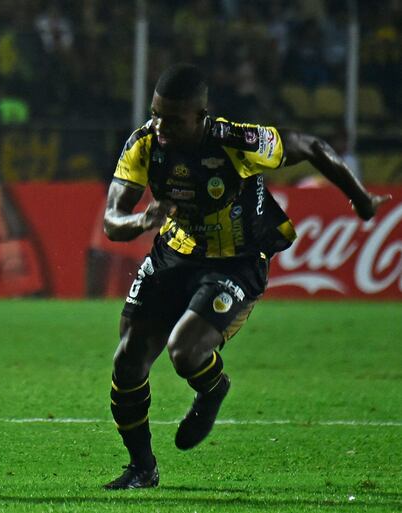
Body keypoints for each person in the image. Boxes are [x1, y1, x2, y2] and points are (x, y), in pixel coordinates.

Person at [102, 63, 390, 489]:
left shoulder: (238, 141)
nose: (161, 126)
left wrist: (360, 199)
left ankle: (212, 388)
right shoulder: (146, 142)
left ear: (201, 116)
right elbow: (112, 219)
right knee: (128, 360)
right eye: (156, 113)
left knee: (185, 353)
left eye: (173, 119)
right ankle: (142, 468)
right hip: (174, 254)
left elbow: (311, 146)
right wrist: (143, 220)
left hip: (234, 260)